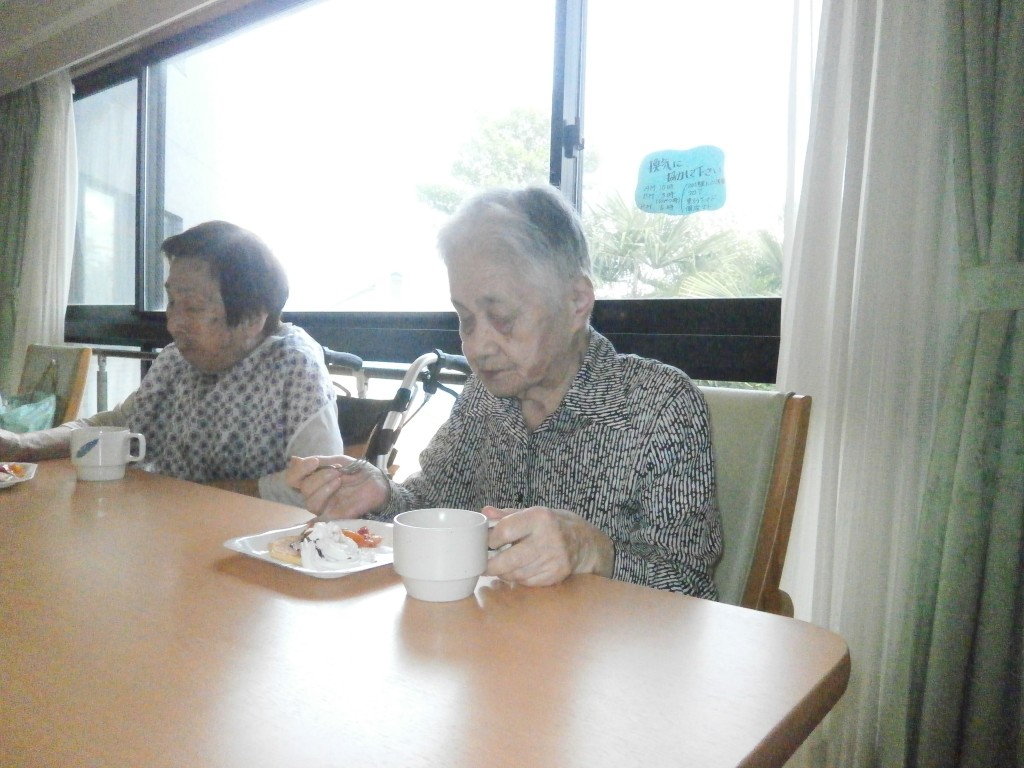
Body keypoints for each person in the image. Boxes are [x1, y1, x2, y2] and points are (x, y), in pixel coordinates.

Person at [286, 186, 722, 597]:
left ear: (576, 302)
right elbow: (432, 502)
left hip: (607, 650)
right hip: (489, 636)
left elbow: (693, 588)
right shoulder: (484, 395)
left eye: (502, 318)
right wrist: (380, 494)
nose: (476, 347)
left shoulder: (659, 406)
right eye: (465, 319)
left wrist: (596, 553)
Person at [1, 220, 343, 506]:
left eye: (192, 307)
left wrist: (196, 495)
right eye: (172, 301)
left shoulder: (295, 367)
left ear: (253, 317)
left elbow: (322, 483)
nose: (173, 323)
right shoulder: (178, 360)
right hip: (171, 530)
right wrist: (21, 445)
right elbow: (116, 424)